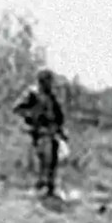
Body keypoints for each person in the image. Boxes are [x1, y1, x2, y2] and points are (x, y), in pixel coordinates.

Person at [12, 69, 68, 198]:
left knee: (54, 159)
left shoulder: (52, 96)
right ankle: (40, 185)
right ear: (42, 81)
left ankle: (51, 187)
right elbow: (18, 108)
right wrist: (33, 117)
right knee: (44, 158)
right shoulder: (32, 93)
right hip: (40, 131)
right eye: (48, 81)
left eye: (51, 81)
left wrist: (61, 130)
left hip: (52, 132)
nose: (50, 83)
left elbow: (58, 115)